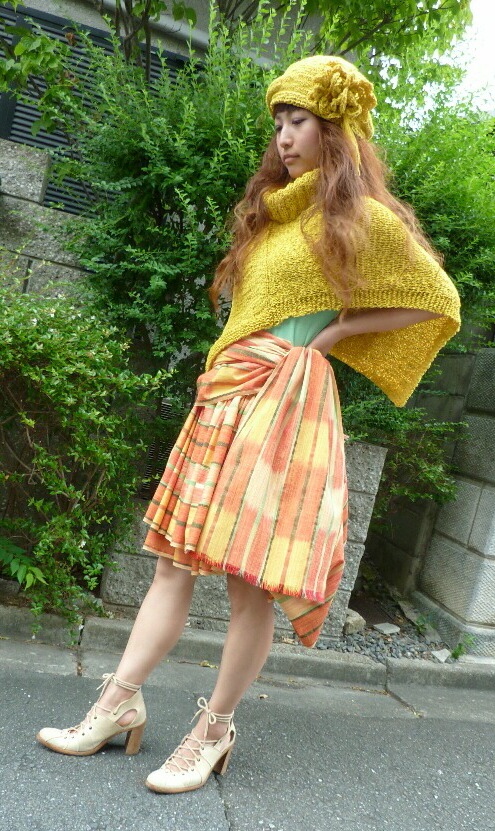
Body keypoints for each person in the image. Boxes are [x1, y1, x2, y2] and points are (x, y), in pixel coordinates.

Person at [36, 55, 460, 793]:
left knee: (249, 583)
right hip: (225, 394)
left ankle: (214, 729)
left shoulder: (360, 218)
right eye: (279, 123)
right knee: (171, 562)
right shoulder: (273, 215)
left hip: (283, 400)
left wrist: (334, 335)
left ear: (336, 130)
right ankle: (117, 702)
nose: (284, 137)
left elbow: (437, 298)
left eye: (299, 121)